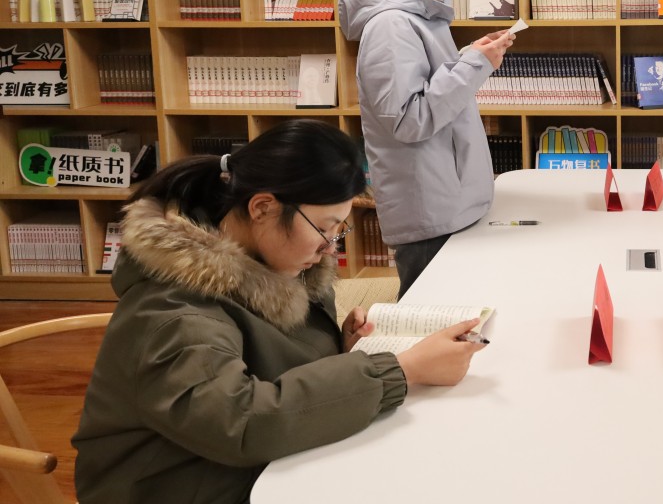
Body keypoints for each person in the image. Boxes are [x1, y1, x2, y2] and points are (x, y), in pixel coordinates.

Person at [73, 120, 487, 504]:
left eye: (339, 228)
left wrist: (335, 347)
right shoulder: (173, 311)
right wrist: (400, 371)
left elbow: (260, 366)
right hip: (176, 486)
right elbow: (239, 421)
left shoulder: (273, 262)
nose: (330, 246)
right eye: (324, 227)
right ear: (262, 208)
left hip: (244, 466)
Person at [339, 0, 514, 296]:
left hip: (444, 204)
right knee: (430, 316)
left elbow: (432, 88)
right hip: (428, 214)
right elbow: (408, 120)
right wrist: (473, 66)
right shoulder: (391, 25)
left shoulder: (417, 17)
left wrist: (470, 57)